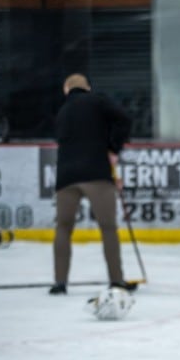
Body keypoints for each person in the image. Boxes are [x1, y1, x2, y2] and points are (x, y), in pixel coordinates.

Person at [51, 73, 136, 295]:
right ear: (87, 88)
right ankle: (116, 281)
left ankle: (60, 283)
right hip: (96, 173)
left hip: (65, 177)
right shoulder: (97, 100)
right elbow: (124, 119)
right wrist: (113, 147)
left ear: (66, 90)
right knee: (108, 228)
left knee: (63, 228)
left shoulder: (61, 112)